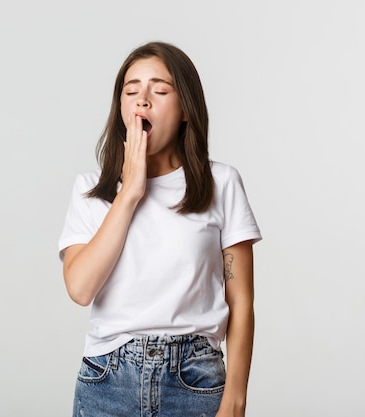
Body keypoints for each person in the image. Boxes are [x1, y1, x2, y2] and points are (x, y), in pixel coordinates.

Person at [58, 41, 262, 417]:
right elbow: (80, 288)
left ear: (185, 108)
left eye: (160, 90)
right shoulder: (90, 191)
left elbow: (242, 302)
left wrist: (235, 398)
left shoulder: (222, 184)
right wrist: (130, 192)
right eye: (131, 90)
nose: (143, 100)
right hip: (107, 382)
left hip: (195, 380)